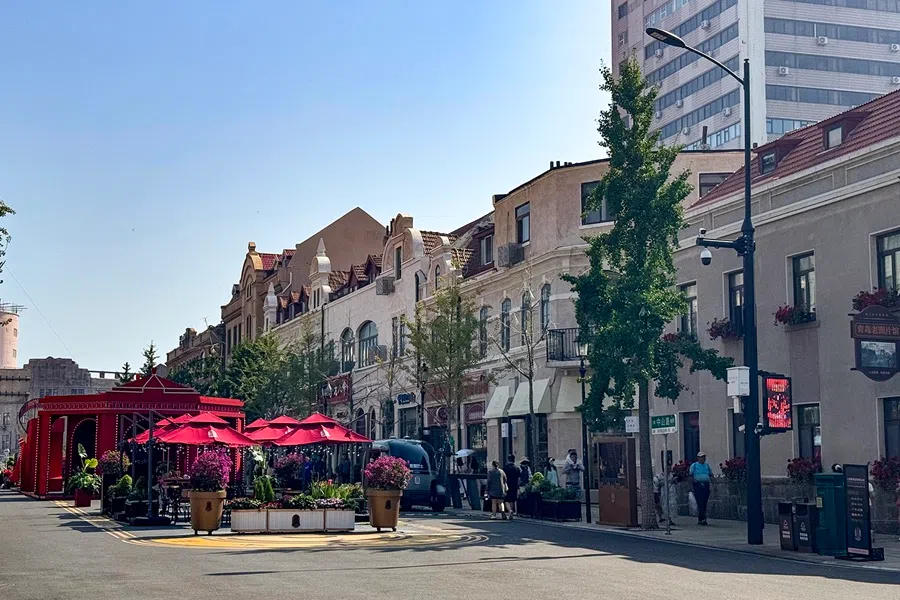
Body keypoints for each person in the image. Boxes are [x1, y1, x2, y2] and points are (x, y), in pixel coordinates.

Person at [689, 452, 712, 525]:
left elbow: (711, 474)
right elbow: (691, 475)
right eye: (701, 457)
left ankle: (702, 517)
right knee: (700, 501)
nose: (703, 458)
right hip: (698, 485)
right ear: (698, 458)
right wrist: (693, 482)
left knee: (705, 501)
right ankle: (702, 518)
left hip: (706, 484)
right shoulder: (694, 465)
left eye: (704, 457)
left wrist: (713, 484)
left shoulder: (707, 465)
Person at [503, 454, 520, 519]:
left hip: (507, 485)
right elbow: (519, 478)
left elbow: (503, 478)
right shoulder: (517, 468)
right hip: (514, 486)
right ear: (514, 460)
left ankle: (509, 510)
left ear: (508, 460)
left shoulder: (505, 468)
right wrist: (518, 486)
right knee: (512, 500)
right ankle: (511, 513)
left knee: (506, 499)